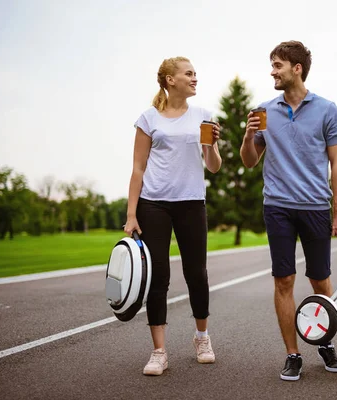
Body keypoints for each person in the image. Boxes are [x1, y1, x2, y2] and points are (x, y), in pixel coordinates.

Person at [240, 41, 337, 381]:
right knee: (284, 279)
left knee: (320, 279)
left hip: (316, 206)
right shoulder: (264, 110)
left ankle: (325, 342)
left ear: (297, 68)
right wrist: (248, 136)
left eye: (278, 65)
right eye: (272, 65)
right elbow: (249, 161)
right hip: (278, 207)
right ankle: (292, 354)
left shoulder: (327, 109)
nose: (272, 71)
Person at [124, 56, 222, 376]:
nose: (195, 78)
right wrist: (131, 215)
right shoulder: (148, 118)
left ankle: (202, 338)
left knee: (197, 273)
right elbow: (138, 168)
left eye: (196, 73)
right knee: (158, 277)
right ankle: (159, 351)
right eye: (189, 73)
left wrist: (213, 145)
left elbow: (213, 165)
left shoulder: (204, 116)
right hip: (154, 204)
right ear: (170, 80)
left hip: (192, 201)